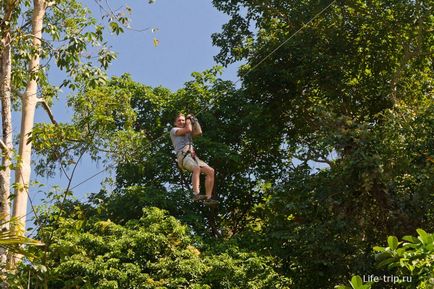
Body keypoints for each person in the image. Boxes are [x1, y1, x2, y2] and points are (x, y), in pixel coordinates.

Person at [170, 112, 218, 205]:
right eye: (179, 120)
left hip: (192, 156)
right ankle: (196, 194)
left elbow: (199, 132)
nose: (181, 122)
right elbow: (188, 129)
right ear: (175, 123)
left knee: (211, 171)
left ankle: (208, 198)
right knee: (196, 168)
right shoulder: (174, 130)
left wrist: (194, 120)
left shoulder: (187, 132)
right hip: (183, 156)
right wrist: (188, 120)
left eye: (183, 120)